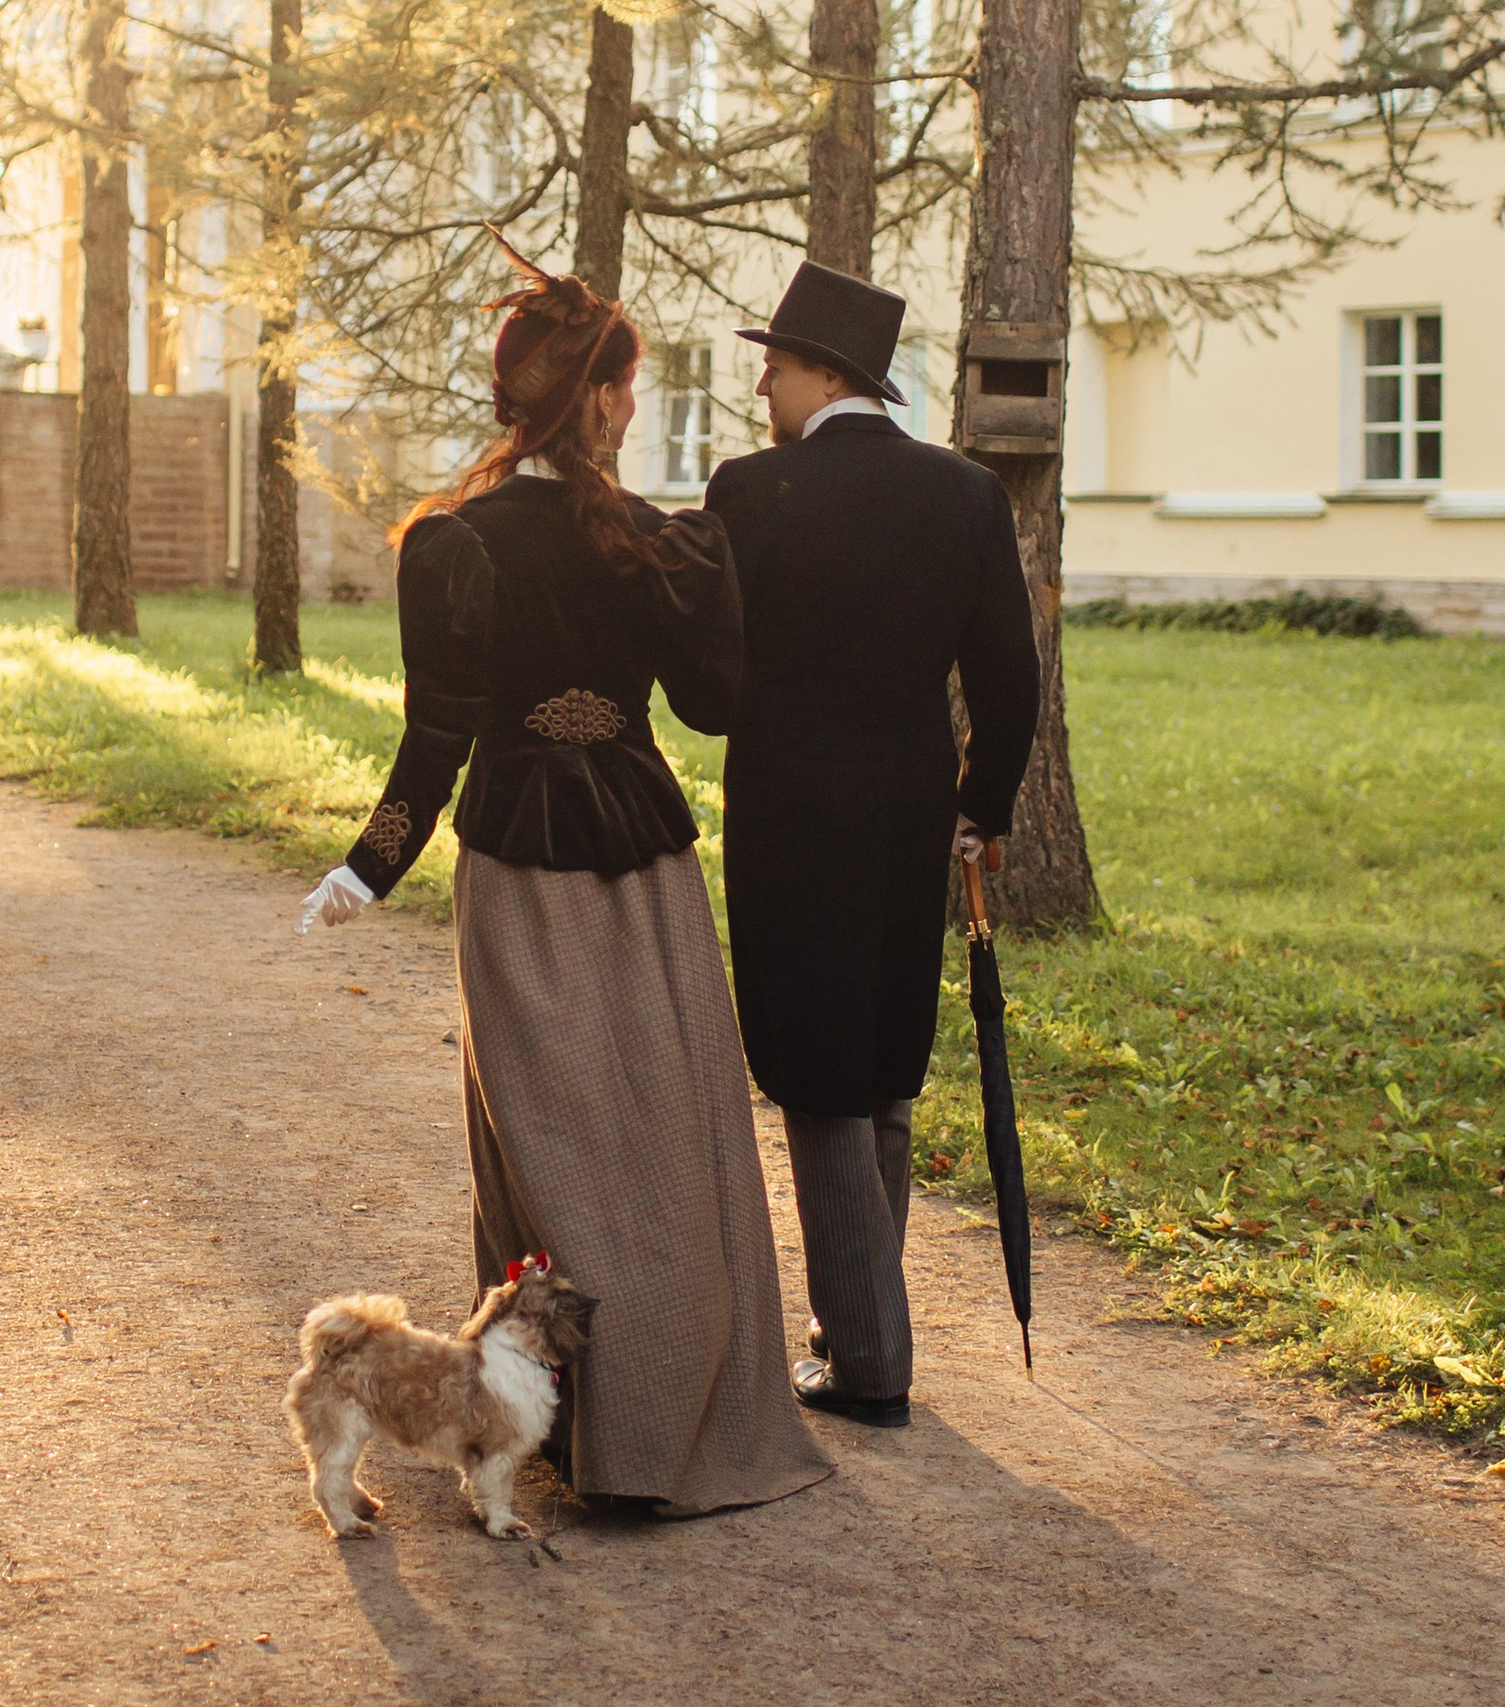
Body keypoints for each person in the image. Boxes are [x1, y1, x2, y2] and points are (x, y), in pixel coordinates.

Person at [297, 267, 831, 1522]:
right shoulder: (660, 536)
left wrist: (371, 863)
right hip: (645, 869)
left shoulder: (457, 540)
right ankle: (647, 1413)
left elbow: (438, 739)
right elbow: (712, 705)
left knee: (550, 1148)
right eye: (626, 384)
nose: (634, 407)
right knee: (661, 1138)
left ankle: (600, 1424)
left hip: (522, 871)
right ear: (588, 398)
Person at [705, 263, 1041, 1429]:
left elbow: (712, 682)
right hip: (909, 807)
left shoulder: (748, 492)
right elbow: (1008, 675)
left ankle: (866, 1359)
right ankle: (856, 1316)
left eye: (776, 364)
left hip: (793, 812)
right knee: (885, 1062)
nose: (762, 383)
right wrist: (981, 804)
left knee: (816, 1072)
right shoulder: (963, 495)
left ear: (826, 374)